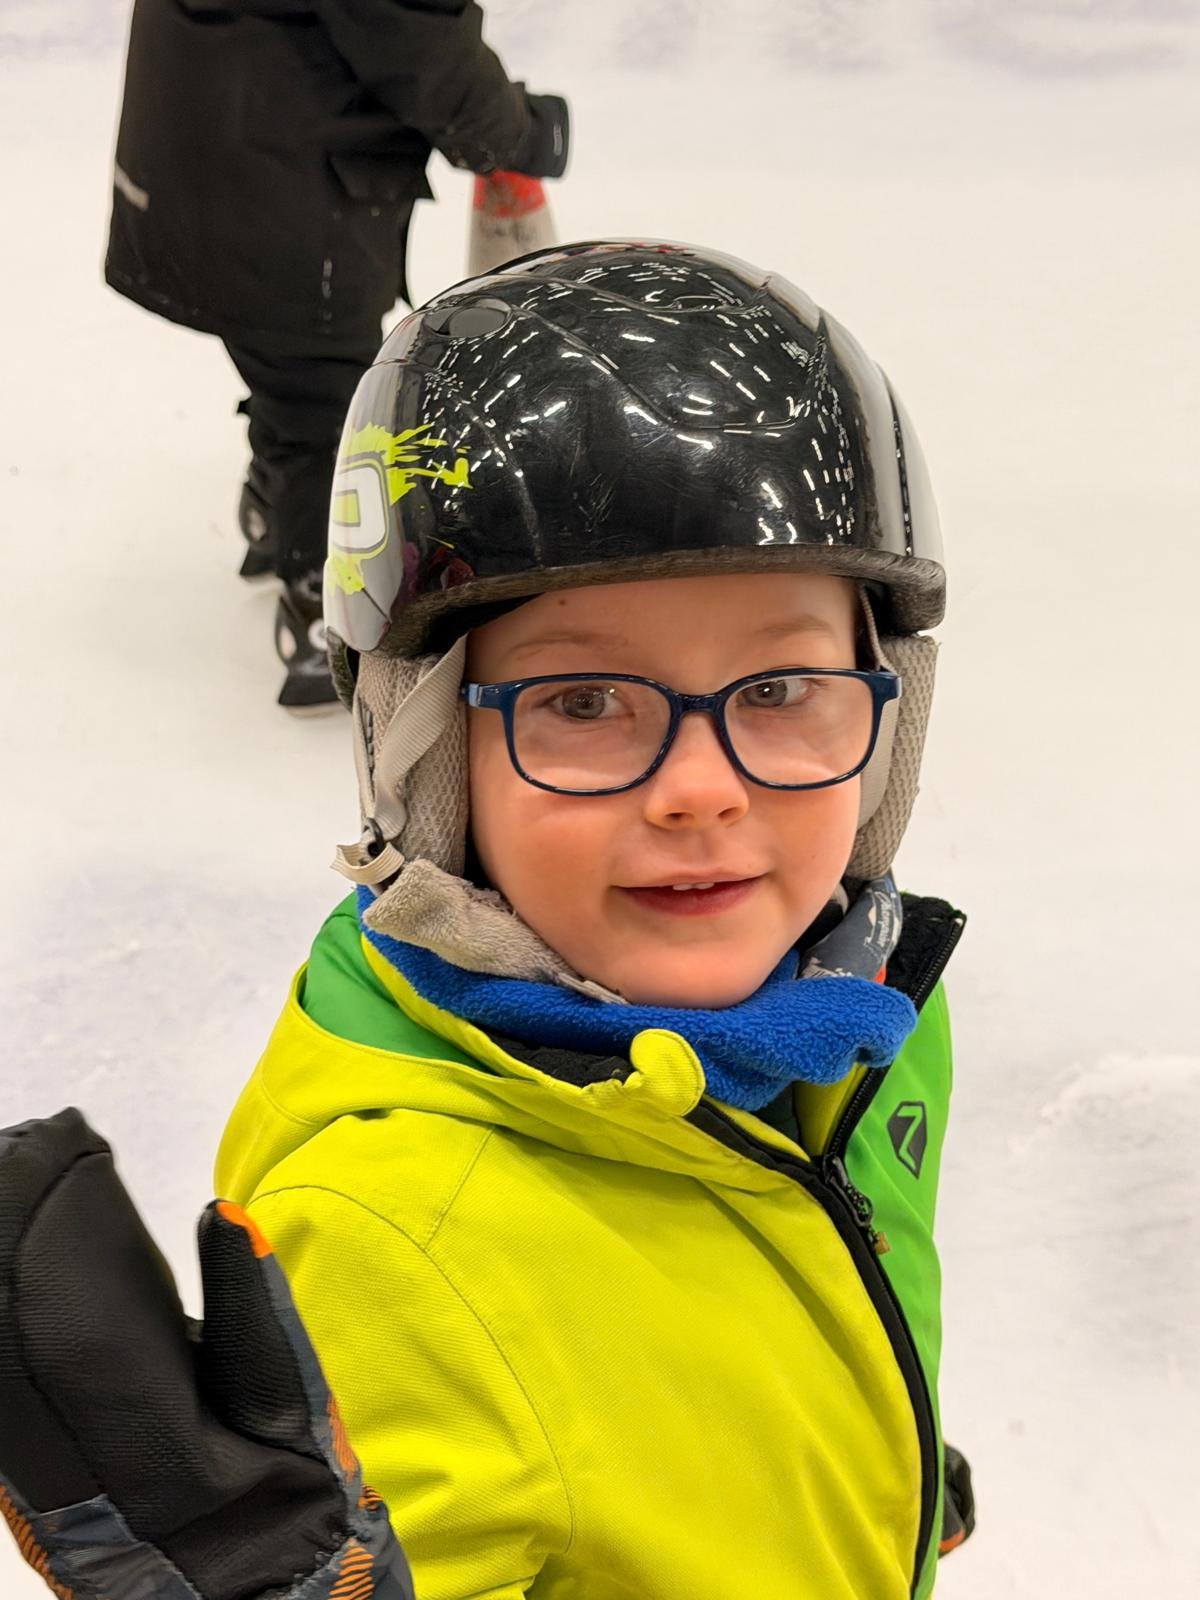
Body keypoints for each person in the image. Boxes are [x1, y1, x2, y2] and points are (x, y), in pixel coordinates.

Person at [0, 241, 975, 1600]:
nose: (702, 788)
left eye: (779, 689)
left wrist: (839, 1457)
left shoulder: (851, 1023)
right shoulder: (400, 1243)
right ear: (428, 763)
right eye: (583, 703)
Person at [104, 0, 569, 713]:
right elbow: (416, 40)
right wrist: (517, 131)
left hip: (215, 147)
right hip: (276, 183)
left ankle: (272, 502)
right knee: (323, 397)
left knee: (288, 362)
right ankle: (321, 598)